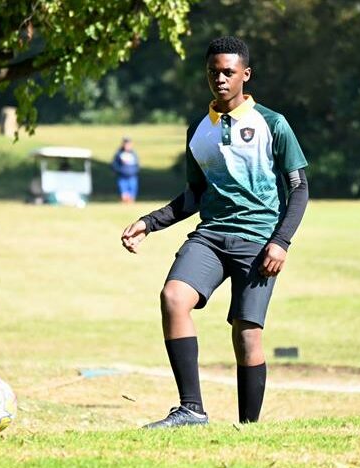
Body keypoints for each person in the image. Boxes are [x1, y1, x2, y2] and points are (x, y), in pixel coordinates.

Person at [120, 36, 309, 428]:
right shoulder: (198, 131)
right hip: (210, 236)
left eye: (228, 71)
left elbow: (299, 188)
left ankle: (248, 428)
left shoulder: (272, 124)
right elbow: (195, 195)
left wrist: (280, 241)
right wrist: (149, 222)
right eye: (213, 71)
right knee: (173, 297)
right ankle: (191, 409)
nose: (220, 78)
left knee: (246, 333)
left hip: (258, 242)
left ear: (246, 74)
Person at [112, 137, 140, 203]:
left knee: (132, 194)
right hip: (122, 176)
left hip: (132, 176)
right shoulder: (119, 153)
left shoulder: (133, 154)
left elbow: (137, 164)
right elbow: (114, 164)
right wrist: (119, 170)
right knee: (124, 194)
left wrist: (135, 171)